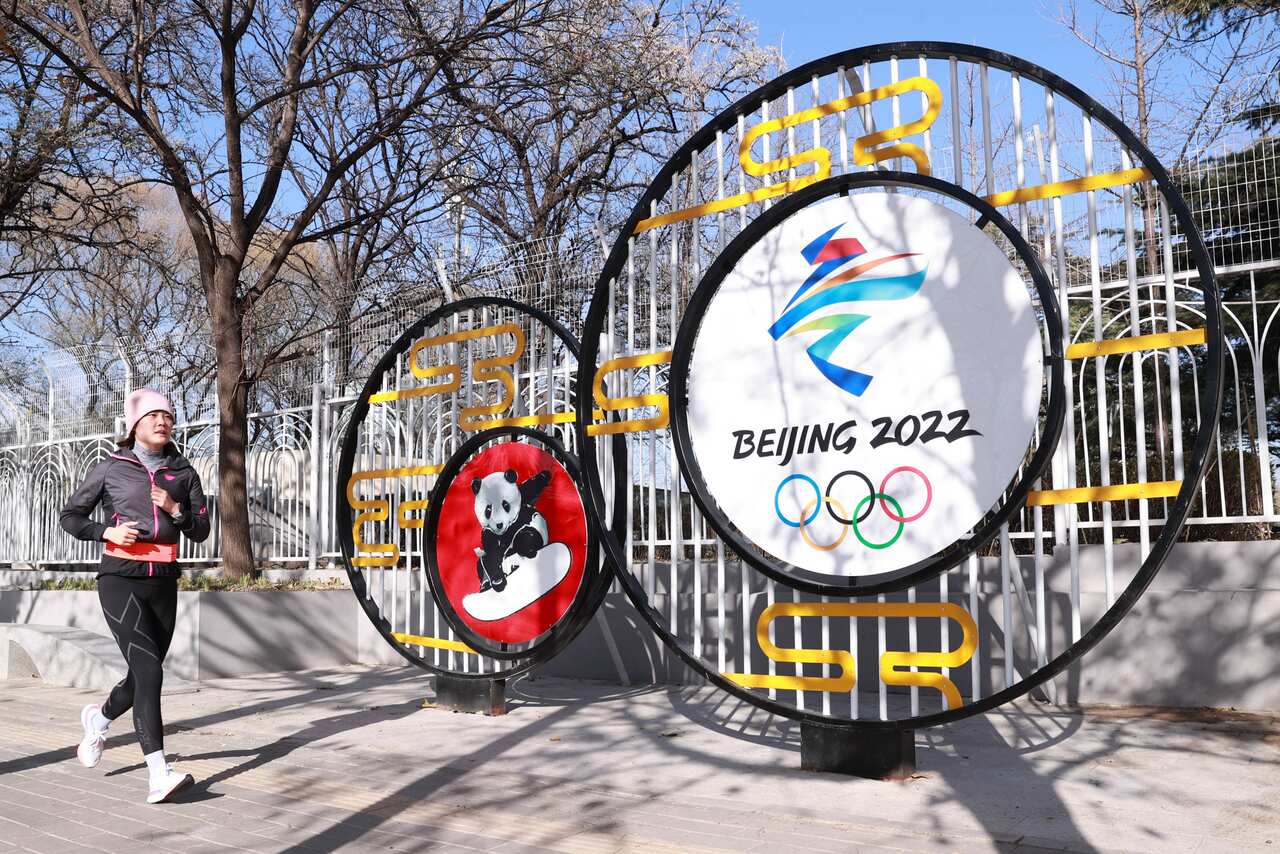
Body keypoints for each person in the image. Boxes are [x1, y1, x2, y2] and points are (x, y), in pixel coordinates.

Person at [59, 388, 210, 804]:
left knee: (143, 673)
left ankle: (98, 720)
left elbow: (201, 530)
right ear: (135, 425)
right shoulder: (111, 468)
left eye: (168, 416)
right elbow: (70, 516)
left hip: (163, 580)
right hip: (120, 578)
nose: (162, 422)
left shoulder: (183, 473)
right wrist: (106, 531)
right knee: (150, 672)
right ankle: (158, 774)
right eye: (153, 416)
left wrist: (176, 510)